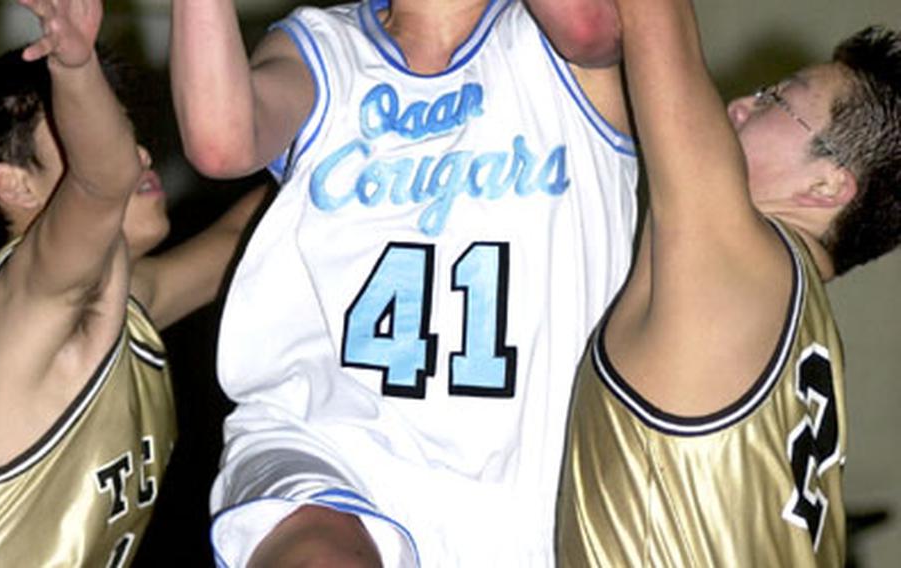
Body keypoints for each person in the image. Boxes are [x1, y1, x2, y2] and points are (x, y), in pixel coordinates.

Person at [170, 0, 635, 565]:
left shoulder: (563, 46)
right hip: (326, 442)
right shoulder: (322, 45)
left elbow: (590, 28)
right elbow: (223, 142)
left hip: (519, 485)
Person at [555, 0, 901, 564]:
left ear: (825, 186)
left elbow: (653, 16)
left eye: (777, 100)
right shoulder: (809, 335)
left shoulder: (737, 259)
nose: (741, 105)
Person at [0, 0, 267, 565]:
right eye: (91, 128)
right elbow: (105, 178)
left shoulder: (122, 305)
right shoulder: (21, 309)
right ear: (14, 185)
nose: (138, 149)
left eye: (124, 127)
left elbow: (246, 237)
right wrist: (73, 67)